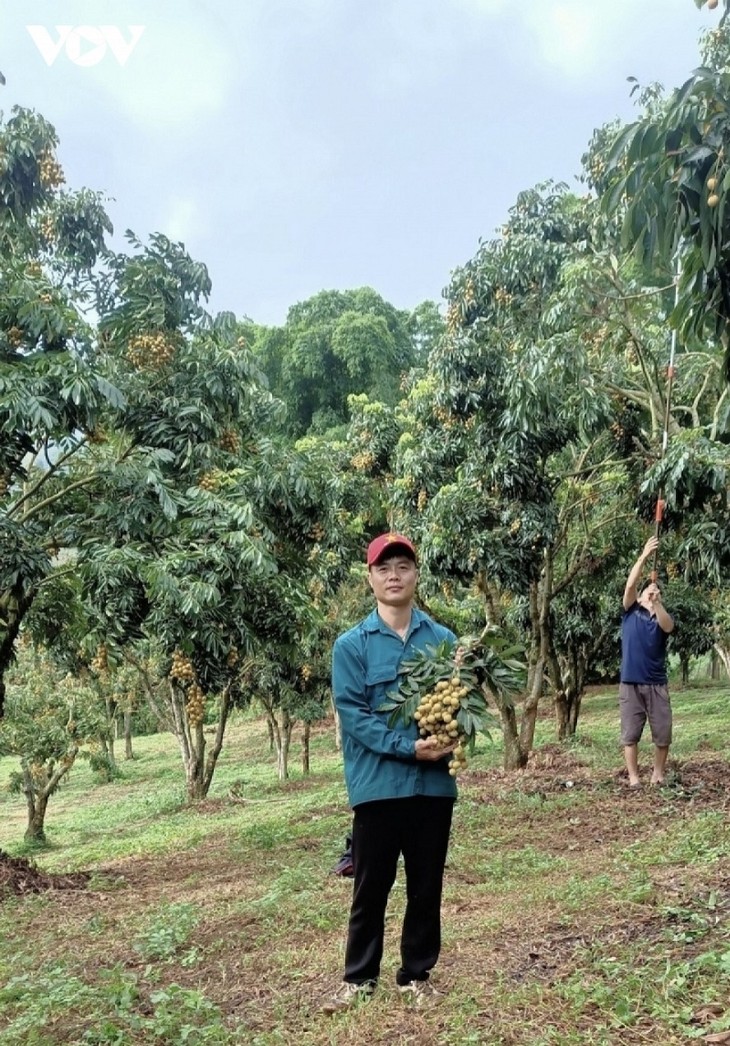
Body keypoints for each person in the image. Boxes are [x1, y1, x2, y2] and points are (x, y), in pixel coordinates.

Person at [324, 532, 458, 1013]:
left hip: (434, 786)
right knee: (371, 886)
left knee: (427, 885)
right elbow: (355, 718)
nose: (394, 575)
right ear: (371, 578)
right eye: (384, 568)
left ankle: (416, 975)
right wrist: (409, 748)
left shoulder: (444, 642)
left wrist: (449, 740)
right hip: (377, 788)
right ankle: (359, 979)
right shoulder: (351, 646)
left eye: (403, 565)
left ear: (416, 574)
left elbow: (458, 704)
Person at [619, 535, 675, 787]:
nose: (649, 594)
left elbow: (669, 626)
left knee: (662, 732)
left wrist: (659, 604)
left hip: (656, 683)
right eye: (646, 593)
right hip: (630, 682)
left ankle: (658, 774)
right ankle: (633, 778)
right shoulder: (631, 611)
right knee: (630, 733)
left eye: (653, 592)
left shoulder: (660, 618)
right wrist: (643, 556)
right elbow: (630, 587)